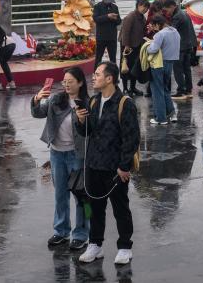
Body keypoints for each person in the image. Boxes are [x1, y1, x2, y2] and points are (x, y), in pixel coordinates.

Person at [75, 62, 140, 266]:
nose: (93, 78)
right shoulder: (94, 101)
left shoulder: (124, 103)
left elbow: (132, 138)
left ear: (109, 78)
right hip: (94, 164)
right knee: (93, 207)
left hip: (115, 167)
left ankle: (124, 247)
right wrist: (80, 121)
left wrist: (124, 166)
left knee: (120, 208)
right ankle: (95, 244)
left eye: (97, 74)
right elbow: (88, 133)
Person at [31, 67, 90, 251]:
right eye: (64, 82)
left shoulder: (88, 103)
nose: (66, 85)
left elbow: (92, 129)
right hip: (57, 153)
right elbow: (38, 113)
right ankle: (61, 231)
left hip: (77, 155)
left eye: (70, 82)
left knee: (82, 196)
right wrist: (36, 99)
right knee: (60, 194)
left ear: (80, 82)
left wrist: (83, 120)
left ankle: (82, 234)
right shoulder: (57, 99)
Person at [145, 15, 180, 123]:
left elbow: (153, 49)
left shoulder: (160, 34)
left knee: (157, 90)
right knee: (165, 89)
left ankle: (160, 118)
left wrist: (147, 46)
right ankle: (172, 114)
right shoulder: (175, 31)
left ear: (157, 24)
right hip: (170, 63)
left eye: (154, 26)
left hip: (159, 64)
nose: (154, 28)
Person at [164, 0, 197, 99]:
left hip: (180, 47)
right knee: (187, 69)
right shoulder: (184, 13)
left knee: (177, 69)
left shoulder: (177, 16)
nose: (167, 12)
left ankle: (180, 90)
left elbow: (172, 31)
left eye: (167, 10)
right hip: (188, 45)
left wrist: (164, 26)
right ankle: (188, 90)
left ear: (172, 6)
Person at [118, 0, 149, 96]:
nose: (145, 9)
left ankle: (133, 87)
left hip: (137, 45)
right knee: (125, 66)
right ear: (138, 6)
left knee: (134, 67)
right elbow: (125, 33)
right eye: (143, 6)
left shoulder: (142, 17)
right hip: (127, 46)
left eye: (146, 8)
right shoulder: (130, 16)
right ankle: (126, 89)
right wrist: (126, 45)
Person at [93, 0, 121, 65]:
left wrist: (115, 19)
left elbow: (119, 21)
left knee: (113, 58)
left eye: (111, 0)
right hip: (101, 37)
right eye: (108, 0)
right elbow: (96, 19)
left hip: (112, 37)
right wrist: (107, 16)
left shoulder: (115, 7)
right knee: (98, 58)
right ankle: (96, 74)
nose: (109, 2)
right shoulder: (97, 6)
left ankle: (114, 75)